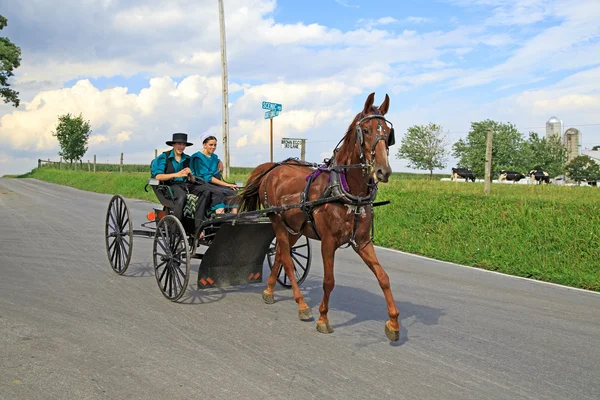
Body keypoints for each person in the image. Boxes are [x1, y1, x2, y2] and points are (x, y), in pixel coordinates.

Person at [150, 133, 210, 230]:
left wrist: (191, 174)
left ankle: (199, 225)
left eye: (183, 145)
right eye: (179, 144)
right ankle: (176, 227)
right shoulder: (163, 157)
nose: (181, 147)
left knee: (205, 191)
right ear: (173, 145)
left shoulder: (187, 159)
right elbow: (158, 176)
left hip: (186, 184)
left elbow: (194, 178)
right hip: (170, 185)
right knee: (182, 197)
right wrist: (176, 174)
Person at [190, 132, 238, 214]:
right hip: (200, 184)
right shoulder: (197, 158)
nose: (213, 147)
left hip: (213, 184)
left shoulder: (214, 157)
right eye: (211, 145)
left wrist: (219, 161)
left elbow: (215, 163)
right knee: (218, 192)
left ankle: (234, 217)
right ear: (204, 145)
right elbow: (207, 177)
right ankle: (220, 215)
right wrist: (227, 184)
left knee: (232, 192)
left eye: (215, 145)